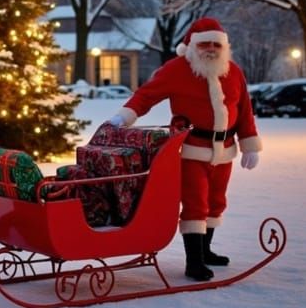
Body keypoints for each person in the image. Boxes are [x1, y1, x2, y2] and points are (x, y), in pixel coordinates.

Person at [107, 17, 262, 281]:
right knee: (195, 203)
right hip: (191, 150)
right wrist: (125, 115)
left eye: (216, 44)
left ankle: (206, 250)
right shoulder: (177, 69)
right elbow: (147, 94)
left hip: (225, 150)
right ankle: (194, 262)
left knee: (216, 202)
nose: (210, 49)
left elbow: (244, 110)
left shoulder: (234, 72)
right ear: (192, 45)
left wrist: (249, 144)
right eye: (204, 44)